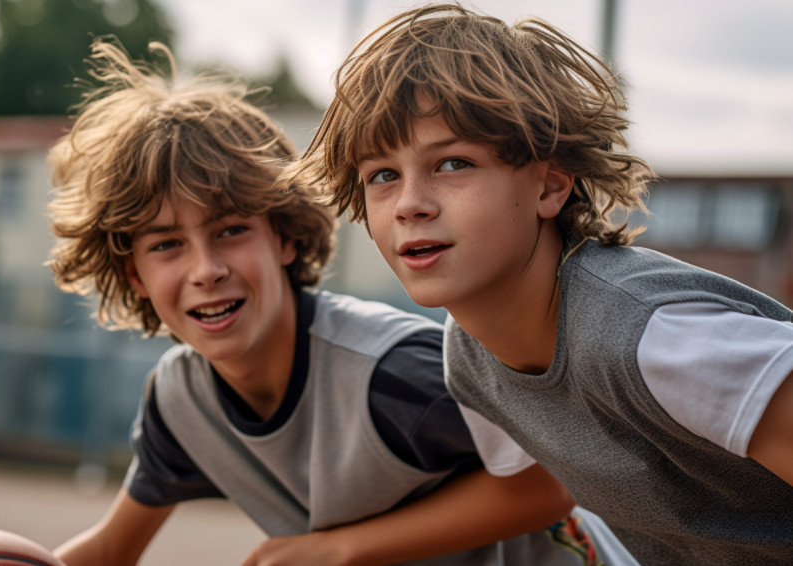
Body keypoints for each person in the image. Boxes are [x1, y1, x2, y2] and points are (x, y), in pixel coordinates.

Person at [39, 38, 633, 566]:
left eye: (230, 231)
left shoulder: (396, 375)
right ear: (133, 274)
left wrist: (336, 548)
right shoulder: (180, 400)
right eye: (167, 244)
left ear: (286, 236)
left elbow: (546, 488)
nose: (206, 269)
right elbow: (111, 550)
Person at [280, 4, 793, 565]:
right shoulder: (469, 352)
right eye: (383, 175)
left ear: (550, 186)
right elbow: (527, 495)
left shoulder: (649, 336)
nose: (409, 204)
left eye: (452, 164)